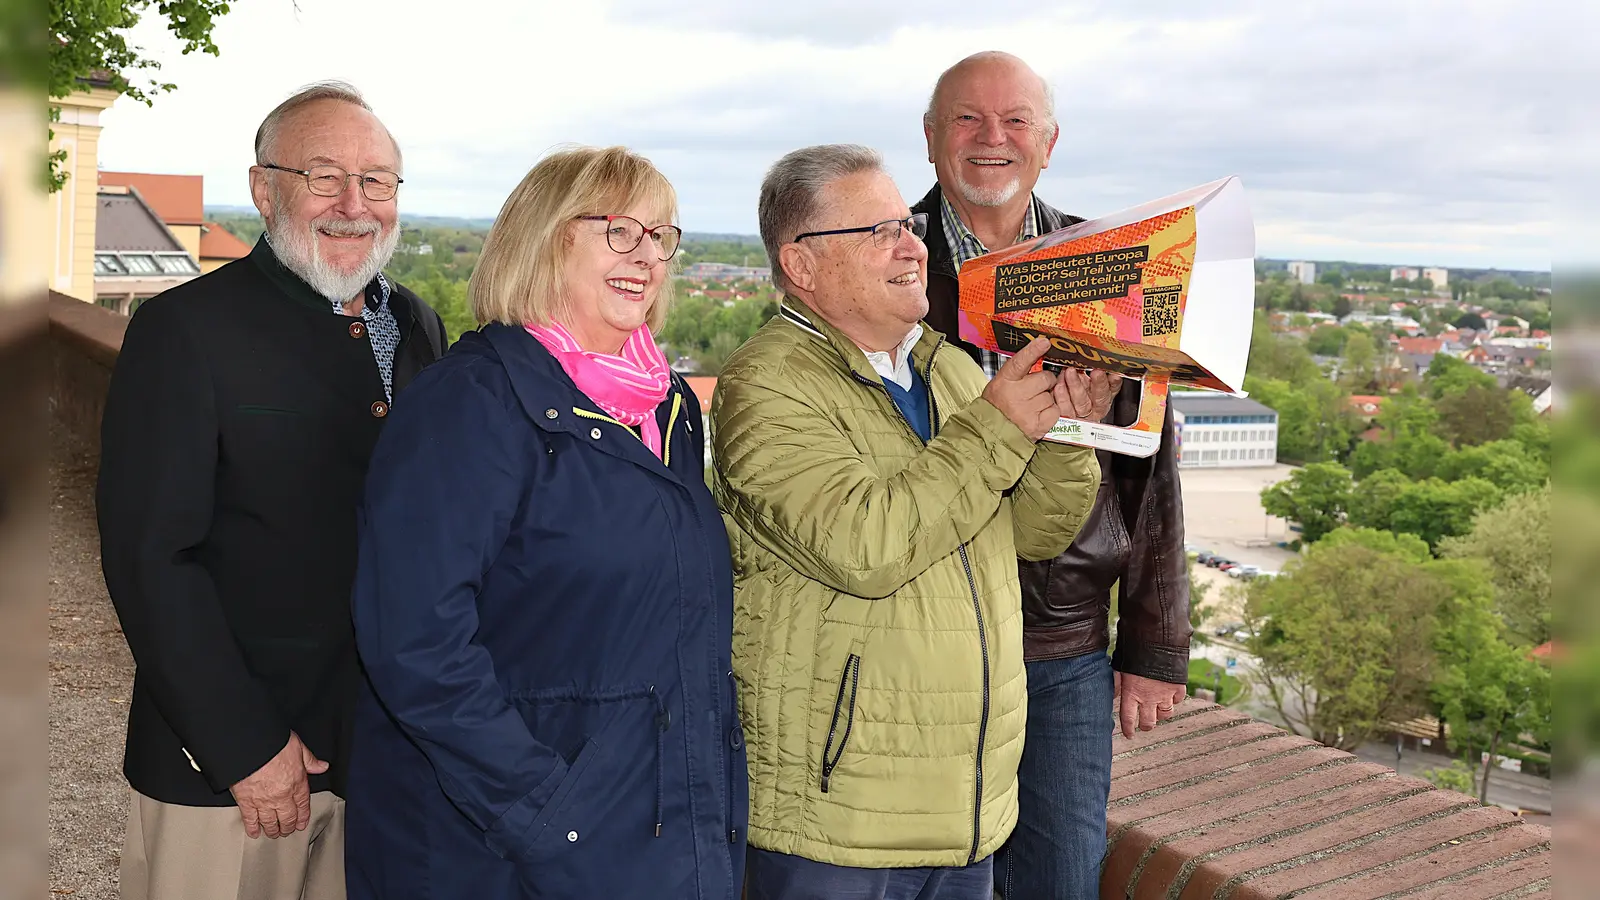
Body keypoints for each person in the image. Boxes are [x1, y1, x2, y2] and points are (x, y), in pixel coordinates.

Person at [713, 143, 1117, 900]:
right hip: (839, 825)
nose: (912, 245)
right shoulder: (765, 386)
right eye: (877, 231)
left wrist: (1065, 432)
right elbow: (865, 546)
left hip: (965, 814)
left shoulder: (949, 368)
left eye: (908, 224)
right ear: (800, 265)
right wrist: (999, 429)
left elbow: (1032, 535)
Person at [343, 145, 746, 900]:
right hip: (506, 848)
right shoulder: (471, 404)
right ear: (543, 236)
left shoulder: (667, 407)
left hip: (655, 828)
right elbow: (415, 643)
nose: (647, 256)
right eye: (620, 231)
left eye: (662, 236)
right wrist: (549, 809)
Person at [97, 81, 446, 900]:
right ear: (264, 188)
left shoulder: (420, 326)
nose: (354, 205)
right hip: (231, 775)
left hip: (379, 759)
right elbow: (153, 558)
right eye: (324, 176)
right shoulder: (183, 331)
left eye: (378, 181)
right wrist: (246, 747)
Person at [913, 51, 1192, 899]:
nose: (991, 138)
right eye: (967, 118)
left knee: (1058, 880)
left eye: (1016, 121)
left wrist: (1155, 644)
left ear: (1050, 141)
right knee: (935, 877)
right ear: (930, 138)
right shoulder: (881, 260)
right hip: (926, 627)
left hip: (1058, 640)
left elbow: (1154, 466)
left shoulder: (1111, 267)